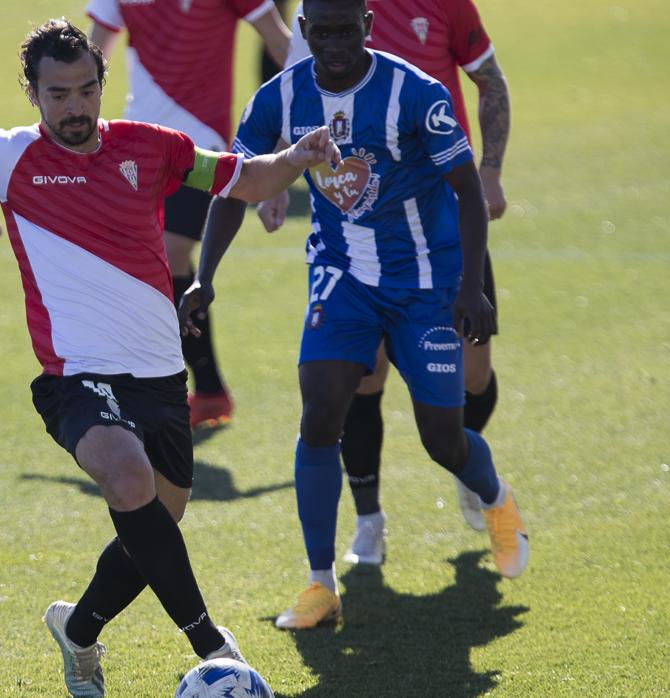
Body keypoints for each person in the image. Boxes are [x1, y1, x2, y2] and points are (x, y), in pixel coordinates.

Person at [0, 19, 334, 697]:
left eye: (86, 90)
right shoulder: (2, 155)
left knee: (155, 525)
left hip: (162, 376)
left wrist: (299, 158)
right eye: (58, 94)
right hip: (77, 377)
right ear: (32, 93)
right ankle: (211, 642)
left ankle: (77, 632)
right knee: (126, 478)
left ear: (103, 84)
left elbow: (242, 179)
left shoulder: (153, 147)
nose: (74, 107)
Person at [180, 0, 528, 632]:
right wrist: (205, 274)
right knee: (320, 411)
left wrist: (471, 286)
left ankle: (497, 498)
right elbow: (234, 183)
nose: (336, 44)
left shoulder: (413, 94)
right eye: (323, 31)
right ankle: (320, 584)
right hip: (341, 275)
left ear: (368, 26)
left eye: (348, 30)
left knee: (442, 438)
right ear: (304, 30)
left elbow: (467, 193)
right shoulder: (278, 97)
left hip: (426, 279)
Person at [263, 0, 513, 564]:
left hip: (443, 226)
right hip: (358, 241)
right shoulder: (327, 10)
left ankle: (466, 467)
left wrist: (490, 170)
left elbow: (491, 83)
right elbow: (292, 94)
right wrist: (272, 176)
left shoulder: (444, 7)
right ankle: (369, 521)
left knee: (474, 378)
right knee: (362, 380)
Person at [86, 0, 293, 427]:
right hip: (133, 144)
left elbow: (282, 47)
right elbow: (92, 59)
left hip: (201, 144)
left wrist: (291, 133)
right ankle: (206, 389)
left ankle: (175, 389)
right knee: (147, 263)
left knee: (169, 254)